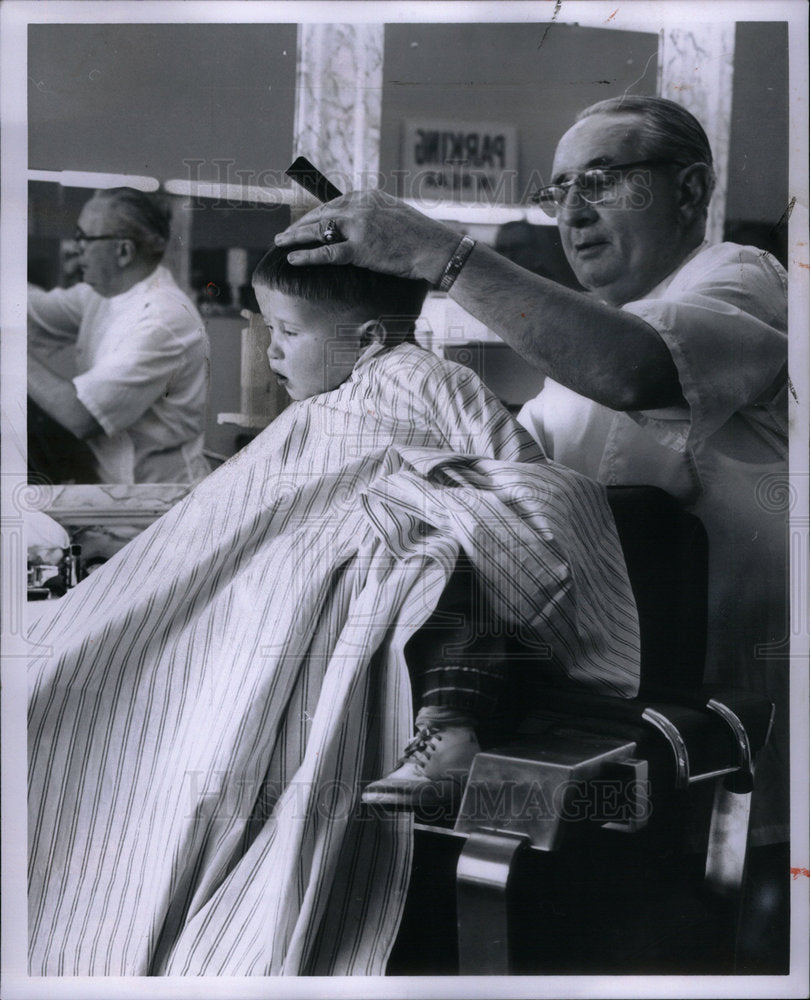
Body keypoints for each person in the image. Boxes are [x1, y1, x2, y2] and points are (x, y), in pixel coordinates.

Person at [275, 96, 789, 965]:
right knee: (469, 862)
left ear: (691, 187)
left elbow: (633, 367)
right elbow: (511, 502)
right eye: (560, 192)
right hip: (607, 732)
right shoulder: (559, 391)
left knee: (717, 939)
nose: (575, 211)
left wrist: (438, 253)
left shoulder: (743, 280)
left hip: (725, 740)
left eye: (602, 181)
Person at [28, 244, 640, 975]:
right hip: (286, 589)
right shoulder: (310, 410)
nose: (271, 349)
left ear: (373, 339)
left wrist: (437, 502)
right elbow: (235, 514)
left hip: (404, 571)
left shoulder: (425, 377)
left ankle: (449, 730)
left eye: (288, 332)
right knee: (82, 671)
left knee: (445, 596)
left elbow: (529, 482)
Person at [27, 187, 210, 484]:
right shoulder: (106, 295)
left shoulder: (163, 319)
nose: (76, 248)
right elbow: (31, 309)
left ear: (123, 251)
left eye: (85, 238)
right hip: (114, 495)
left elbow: (82, 416)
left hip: (152, 507)